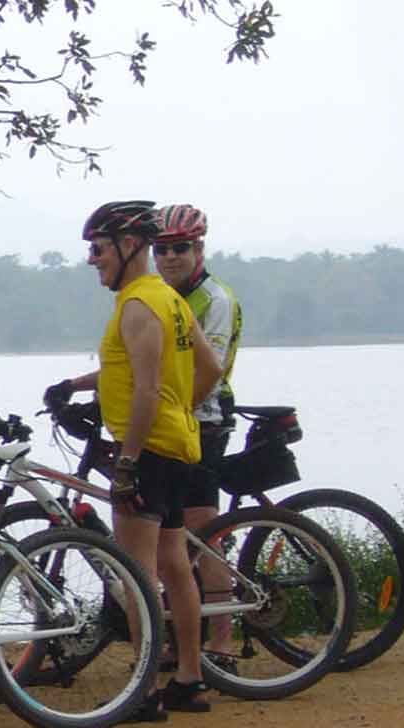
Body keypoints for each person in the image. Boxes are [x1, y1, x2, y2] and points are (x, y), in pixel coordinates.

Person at [44, 200, 224, 720]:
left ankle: (144, 691)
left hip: (146, 452)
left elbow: (145, 388)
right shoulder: (168, 300)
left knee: (138, 569)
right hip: (176, 447)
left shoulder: (138, 304)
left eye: (98, 250)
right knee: (173, 564)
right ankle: (188, 679)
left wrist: (127, 458)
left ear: (128, 246)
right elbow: (208, 368)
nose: (91, 260)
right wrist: (178, 411)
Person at [152, 204, 244, 661]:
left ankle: (222, 641)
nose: (170, 257)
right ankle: (177, 637)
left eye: (180, 248)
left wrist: (173, 412)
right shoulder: (161, 297)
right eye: (162, 249)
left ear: (200, 248)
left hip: (203, 421)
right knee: (165, 532)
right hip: (170, 420)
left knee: (203, 530)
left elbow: (210, 370)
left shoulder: (216, 300)